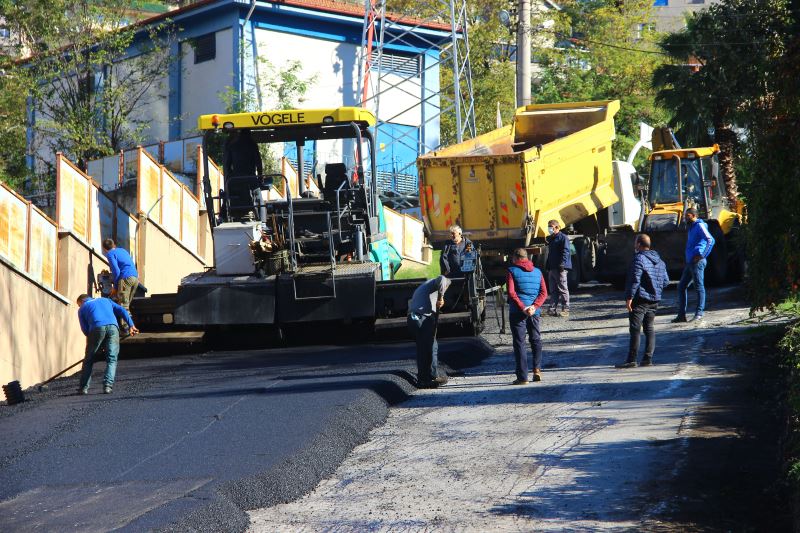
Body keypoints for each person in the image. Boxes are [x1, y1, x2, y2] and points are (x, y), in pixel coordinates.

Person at [616, 234, 669, 369]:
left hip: (640, 299)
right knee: (649, 328)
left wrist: (629, 297)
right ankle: (647, 359)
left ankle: (631, 360)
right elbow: (666, 281)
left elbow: (635, 280)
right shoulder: (660, 260)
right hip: (654, 299)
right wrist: (655, 289)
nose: (634, 245)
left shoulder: (639, 259)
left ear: (639, 244)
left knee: (635, 329)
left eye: (635, 243)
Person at [76, 294, 139, 394]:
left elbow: (85, 331)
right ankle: (107, 386)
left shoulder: (82, 309)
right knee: (112, 358)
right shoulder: (106, 300)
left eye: (79, 304)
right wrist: (131, 325)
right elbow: (122, 310)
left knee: (89, 360)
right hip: (113, 328)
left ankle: (83, 388)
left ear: (82, 301)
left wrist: (98, 344)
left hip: (96, 328)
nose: (79, 306)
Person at [506, 248, 548, 384]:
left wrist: (523, 307)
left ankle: (522, 377)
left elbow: (512, 293)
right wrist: (534, 306)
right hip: (534, 312)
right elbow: (544, 293)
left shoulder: (512, 271)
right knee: (535, 339)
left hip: (518, 312)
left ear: (516, 258)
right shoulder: (538, 272)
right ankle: (537, 370)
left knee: (520, 343)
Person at [672, 207, 715, 323]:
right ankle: (681, 316)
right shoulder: (691, 227)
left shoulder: (700, 225)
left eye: (687, 215)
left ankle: (699, 314)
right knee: (681, 286)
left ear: (694, 215)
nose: (685, 217)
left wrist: (702, 255)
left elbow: (711, 240)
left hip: (697, 262)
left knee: (699, 287)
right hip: (690, 262)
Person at [407, 275, 451, 388]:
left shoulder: (425, 287)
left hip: (414, 318)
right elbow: (442, 279)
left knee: (423, 349)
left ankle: (424, 378)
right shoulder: (441, 281)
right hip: (420, 318)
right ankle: (431, 377)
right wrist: (441, 297)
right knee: (431, 347)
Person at [102, 239, 138, 318]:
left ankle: (125, 328)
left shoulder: (110, 254)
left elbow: (116, 271)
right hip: (135, 277)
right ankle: (130, 325)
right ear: (114, 245)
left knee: (123, 305)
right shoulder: (123, 250)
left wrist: (115, 287)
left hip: (126, 278)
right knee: (127, 304)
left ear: (104, 249)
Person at [545, 219, 571, 317]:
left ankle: (565, 309)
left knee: (563, 288)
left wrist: (562, 264)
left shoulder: (563, 238)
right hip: (552, 267)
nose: (549, 229)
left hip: (560, 268)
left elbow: (566, 251)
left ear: (557, 227)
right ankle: (552, 309)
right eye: (549, 226)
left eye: (551, 227)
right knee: (553, 290)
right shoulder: (552, 238)